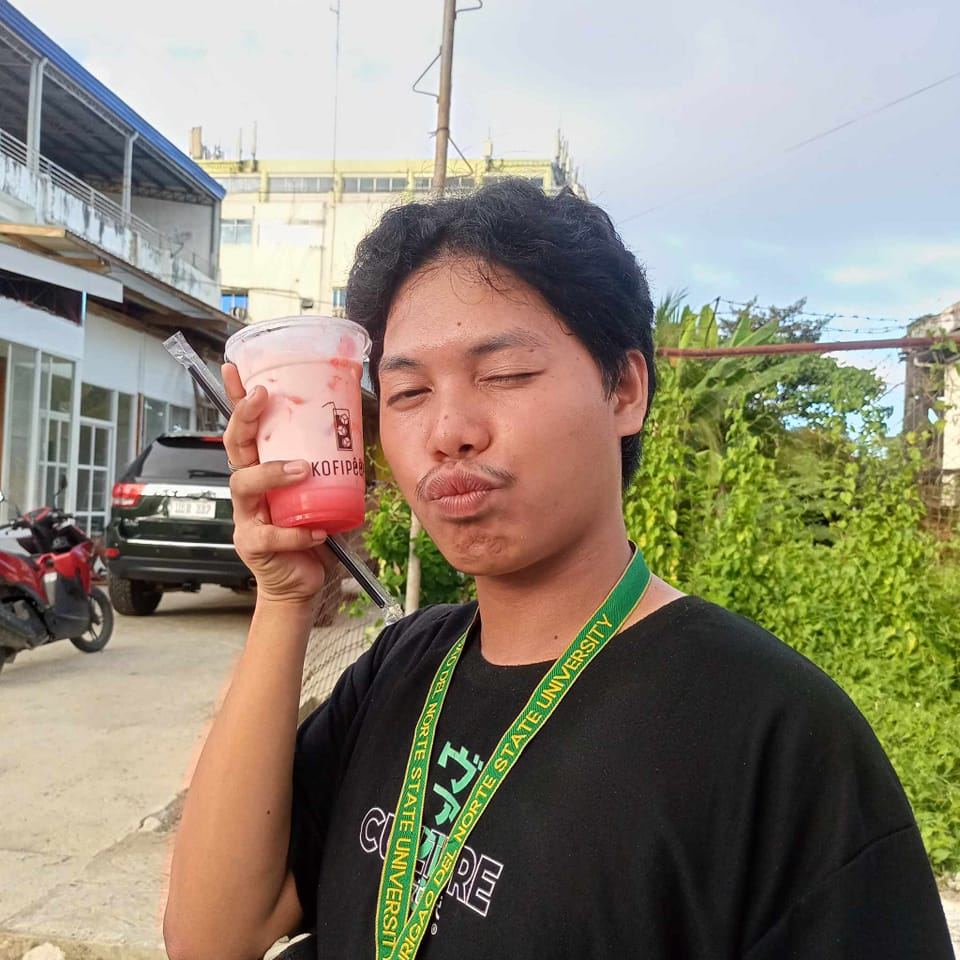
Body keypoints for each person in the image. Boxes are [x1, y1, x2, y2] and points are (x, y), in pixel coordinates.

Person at [163, 180, 953, 960]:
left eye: (504, 374)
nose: (449, 430)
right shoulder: (399, 672)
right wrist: (285, 598)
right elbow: (212, 936)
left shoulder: (776, 734)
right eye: (407, 392)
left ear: (625, 390)